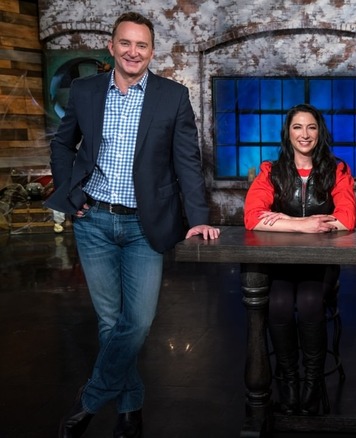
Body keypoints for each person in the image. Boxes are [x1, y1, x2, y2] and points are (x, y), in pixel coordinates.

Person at [45, 12, 221, 438]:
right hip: (94, 222)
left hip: (146, 226)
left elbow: (187, 162)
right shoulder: (86, 91)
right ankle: (130, 409)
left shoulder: (172, 96)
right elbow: (63, 144)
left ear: (152, 51)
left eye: (142, 45)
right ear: (111, 46)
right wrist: (71, 194)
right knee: (110, 324)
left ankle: (89, 400)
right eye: (125, 43)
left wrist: (198, 218)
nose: (133, 52)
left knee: (137, 322)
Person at [243, 103, 356, 415]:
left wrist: (279, 218)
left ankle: (312, 385)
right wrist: (301, 224)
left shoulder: (338, 170)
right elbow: (252, 217)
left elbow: (346, 218)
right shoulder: (271, 171)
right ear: (288, 133)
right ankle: (288, 384)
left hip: (320, 263)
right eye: (297, 127)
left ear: (320, 133)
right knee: (277, 303)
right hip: (280, 261)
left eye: (311, 127)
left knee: (309, 302)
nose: (304, 134)